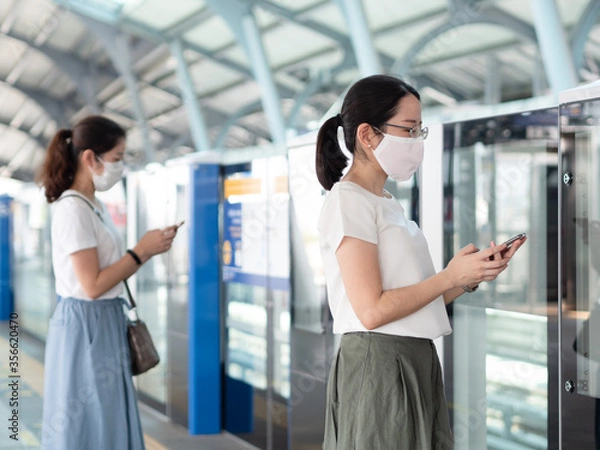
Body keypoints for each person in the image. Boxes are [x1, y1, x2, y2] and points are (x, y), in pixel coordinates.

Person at [315, 75, 526, 449]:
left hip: (412, 360)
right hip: (379, 365)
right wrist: (448, 276)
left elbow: (411, 301)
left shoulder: (386, 202)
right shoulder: (349, 201)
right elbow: (373, 311)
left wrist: (466, 277)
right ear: (367, 134)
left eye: (419, 131)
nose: (416, 142)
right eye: (409, 130)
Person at [37, 115, 179, 450]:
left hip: (102, 321)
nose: (120, 167)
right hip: (86, 324)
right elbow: (92, 285)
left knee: (106, 416)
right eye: (116, 159)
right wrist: (141, 251)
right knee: (90, 421)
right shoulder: (73, 209)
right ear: (90, 158)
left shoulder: (93, 205)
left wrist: (147, 249)